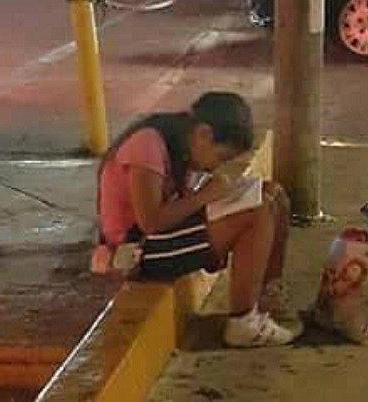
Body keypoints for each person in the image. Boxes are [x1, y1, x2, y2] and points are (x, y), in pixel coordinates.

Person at [96, 92, 301, 347]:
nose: (217, 167)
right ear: (203, 134)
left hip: (165, 233)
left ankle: (267, 300)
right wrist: (205, 196)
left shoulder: (182, 144)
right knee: (256, 214)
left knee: (273, 194)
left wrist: (213, 196)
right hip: (136, 251)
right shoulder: (146, 146)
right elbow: (150, 222)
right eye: (221, 157)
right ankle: (243, 322)